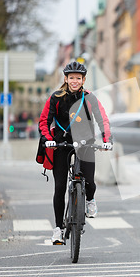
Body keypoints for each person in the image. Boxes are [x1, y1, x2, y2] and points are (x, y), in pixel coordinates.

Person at [39, 61, 112, 245]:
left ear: (83, 80)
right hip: (61, 143)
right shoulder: (55, 98)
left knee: (89, 181)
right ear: (66, 78)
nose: (74, 81)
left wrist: (106, 139)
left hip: (85, 141)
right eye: (71, 78)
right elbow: (44, 121)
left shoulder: (90, 98)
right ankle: (58, 229)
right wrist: (49, 139)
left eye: (78, 78)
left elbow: (102, 118)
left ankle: (90, 200)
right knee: (60, 187)